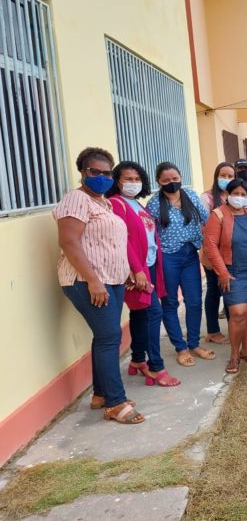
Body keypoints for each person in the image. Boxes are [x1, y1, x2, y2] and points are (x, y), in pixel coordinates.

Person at [54, 148, 143, 424]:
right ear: (83, 172)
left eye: (107, 173)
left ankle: (101, 394)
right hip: (87, 281)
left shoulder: (103, 203)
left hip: (112, 280)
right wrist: (93, 280)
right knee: (109, 337)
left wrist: (125, 271)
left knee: (105, 336)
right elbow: (69, 242)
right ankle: (116, 403)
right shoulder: (76, 200)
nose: (102, 177)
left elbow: (108, 244)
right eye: (95, 172)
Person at [106, 161, 180, 388]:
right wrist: (136, 269)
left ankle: (137, 360)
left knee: (140, 314)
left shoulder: (137, 204)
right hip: (137, 269)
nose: (133, 183)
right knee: (152, 313)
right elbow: (123, 240)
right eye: (128, 179)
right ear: (117, 181)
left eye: (137, 179)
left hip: (149, 265)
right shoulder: (116, 204)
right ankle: (156, 367)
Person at [147, 162, 215, 367]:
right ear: (158, 181)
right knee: (170, 303)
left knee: (194, 301)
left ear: (181, 178)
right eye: (166, 180)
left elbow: (207, 220)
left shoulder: (191, 196)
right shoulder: (154, 204)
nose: (171, 183)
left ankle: (193, 343)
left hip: (190, 254)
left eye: (175, 179)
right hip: (167, 257)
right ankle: (181, 347)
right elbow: (149, 233)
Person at [204, 179, 247, 374]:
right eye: (236, 193)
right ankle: (234, 355)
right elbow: (210, 246)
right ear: (227, 195)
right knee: (238, 313)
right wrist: (223, 273)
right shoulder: (217, 215)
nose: (240, 197)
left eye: (243, 194)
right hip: (233, 272)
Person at [199, 161, 235, 345]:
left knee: (229, 291)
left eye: (230, 176)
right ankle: (213, 330)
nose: (227, 179)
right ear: (216, 177)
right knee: (214, 290)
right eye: (223, 175)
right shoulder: (206, 198)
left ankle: (234, 329)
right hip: (212, 255)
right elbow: (204, 228)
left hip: (231, 254)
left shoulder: (235, 197)